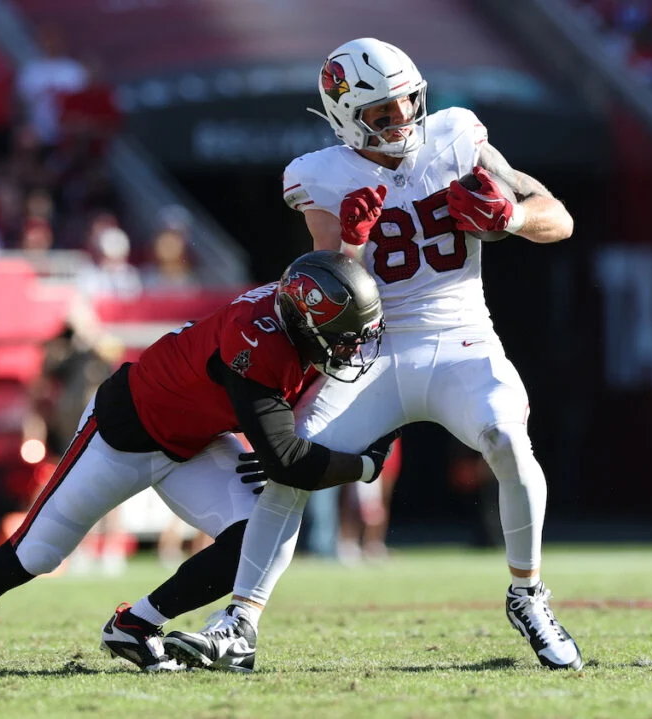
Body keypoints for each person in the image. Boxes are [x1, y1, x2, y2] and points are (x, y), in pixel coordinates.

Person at [163, 38, 582, 673]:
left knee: (507, 439)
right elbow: (326, 289)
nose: (403, 121)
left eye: (409, 103)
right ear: (344, 115)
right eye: (382, 113)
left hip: (463, 335)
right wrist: (351, 243)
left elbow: (559, 217)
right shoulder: (320, 175)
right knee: (290, 469)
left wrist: (513, 218)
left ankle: (529, 595)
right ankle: (240, 621)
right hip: (371, 351)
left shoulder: (458, 136)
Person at [0, 250, 396, 674]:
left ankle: (138, 624)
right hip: (123, 433)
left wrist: (293, 455)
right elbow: (288, 462)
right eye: (344, 338)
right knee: (32, 555)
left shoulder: (289, 320)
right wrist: (363, 466)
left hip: (195, 441)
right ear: (305, 320)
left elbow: (287, 455)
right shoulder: (260, 343)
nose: (350, 351)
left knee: (257, 534)